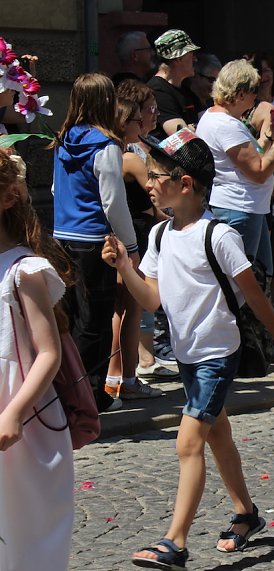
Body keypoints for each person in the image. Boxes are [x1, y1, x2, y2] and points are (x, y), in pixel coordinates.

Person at [102, 128, 274, 568]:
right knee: (218, 433)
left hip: (216, 354)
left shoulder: (219, 236)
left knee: (189, 443)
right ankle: (246, 513)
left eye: (155, 176)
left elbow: (257, 298)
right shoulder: (160, 235)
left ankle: (176, 542)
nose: (147, 183)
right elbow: (151, 299)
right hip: (186, 356)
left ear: (184, 183)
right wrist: (125, 267)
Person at [0, 149, 75, 571]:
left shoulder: (23, 270)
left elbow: (49, 352)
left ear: (8, 197)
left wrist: (14, 412)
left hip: (20, 415)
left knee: (23, 535)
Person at [52, 72, 139, 413]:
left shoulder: (63, 139)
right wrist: (129, 246)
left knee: (71, 317)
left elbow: (59, 190)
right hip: (93, 240)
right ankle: (90, 395)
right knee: (96, 320)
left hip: (62, 237)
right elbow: (113, 202)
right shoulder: (104, 146)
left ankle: (66, 390)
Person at [195, 58, 274, 277]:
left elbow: (254, 155)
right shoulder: (226, 125)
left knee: (261, 273)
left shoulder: (221, 120)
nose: (256, 98)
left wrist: (270, 136)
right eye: (254, 92)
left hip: (248, 206)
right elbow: (259, 172)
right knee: (248, 278)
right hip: (239, 208)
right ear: (240, 94)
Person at [102, 97, 165, 402]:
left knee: (123, 308)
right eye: (137, 121)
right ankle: (123, 377)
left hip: (124, 234)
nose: (142, 126)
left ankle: (118, 377)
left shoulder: (118, 154)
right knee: (129, 307)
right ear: (123, 123)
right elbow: (156, 197)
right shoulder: (127, 158)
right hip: (133, 236)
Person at [147, 29, 201, 139]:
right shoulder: (157, 91)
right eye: (191, 54)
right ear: (178, 59)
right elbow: (184, 139)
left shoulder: (186, 90)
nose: (195, 59)